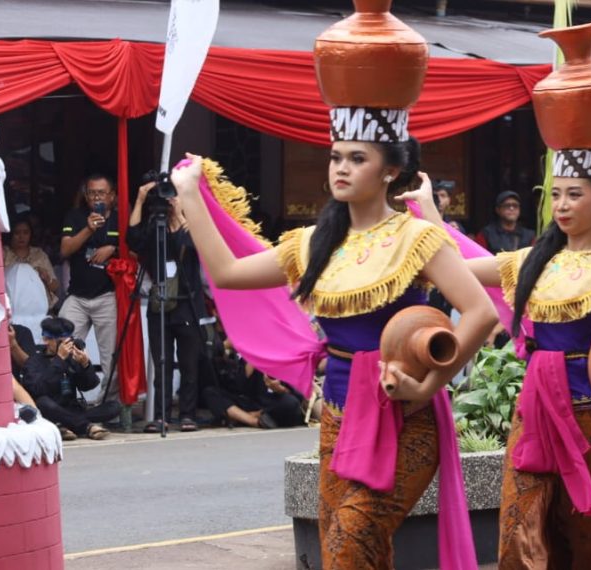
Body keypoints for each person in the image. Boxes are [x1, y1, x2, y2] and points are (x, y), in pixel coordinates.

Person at [171, 15, 495, 566]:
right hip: (340, 418)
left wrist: (429, 384)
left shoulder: (417, 237)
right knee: (352, 552)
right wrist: (190, 195)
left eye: (357, 159)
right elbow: (226, 273)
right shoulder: (311, 244)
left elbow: (480, 312)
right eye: (336, 156)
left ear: (390, 171)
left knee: (351, 544)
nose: (341, 168)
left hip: (406, 417)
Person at [410, 25, 591, 567]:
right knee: (520, 530)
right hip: (536, 409)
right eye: (556, 194)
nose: (562, 205)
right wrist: (426, 210)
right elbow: (454, 268)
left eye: (574, 195)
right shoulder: (528, 260)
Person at [128, 180, 211, 433]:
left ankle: (187, 414)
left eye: (175, 197)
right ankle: (161, 416)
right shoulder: (156, 227)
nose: (170, 201)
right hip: (160, 303)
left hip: (188, 303)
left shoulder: (193, 226)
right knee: (161, 363)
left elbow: (198, 246)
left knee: (189, 364)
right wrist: (140, 200)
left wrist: (180, 215)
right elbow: (133, 240)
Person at [58, 173, 120, 403]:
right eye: (92, 193)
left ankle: (107, 404)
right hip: (77, 296)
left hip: (107, 295)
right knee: (61, 344)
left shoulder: (120, 218)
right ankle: (66, 399)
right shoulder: (76, 216)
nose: (96, 197)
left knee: (111, 356)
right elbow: (65, 250)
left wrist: (112, 248)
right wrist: (88, 229)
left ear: (112, 196)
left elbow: (134, 251)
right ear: (85, 195)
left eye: (101, 193)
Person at [19, 317, 110, 440]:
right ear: (46, 340)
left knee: (113, 407)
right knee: (43, 402)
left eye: (68, 341)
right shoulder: (34, 360)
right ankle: (87, 427)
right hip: (49, 409)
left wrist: (85, 365)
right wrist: (58, 361)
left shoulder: (71, 357)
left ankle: (64, 425)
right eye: (62, 342)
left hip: (71, 409)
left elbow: (88, 386)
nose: (67, 346)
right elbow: (36, 390)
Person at [203, 339, 305, 429]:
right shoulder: (242, 352)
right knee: (210, 392)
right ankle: (254, 421)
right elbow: (237, 385)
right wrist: (251, 358)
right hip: (245, 401)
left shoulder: (281, 352)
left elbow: (297, 394)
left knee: (291, 403)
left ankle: (244, 417)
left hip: (268, 403)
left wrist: (280, 389)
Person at [4, 217, 59, 306]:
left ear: (31, 234)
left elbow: (55, 287)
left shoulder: (39, 254)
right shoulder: (4, 254)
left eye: (26, 233)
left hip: (40, 308)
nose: (21, 237)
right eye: (17, 233)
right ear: (11, 234)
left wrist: (47, 278)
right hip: (12, 307)